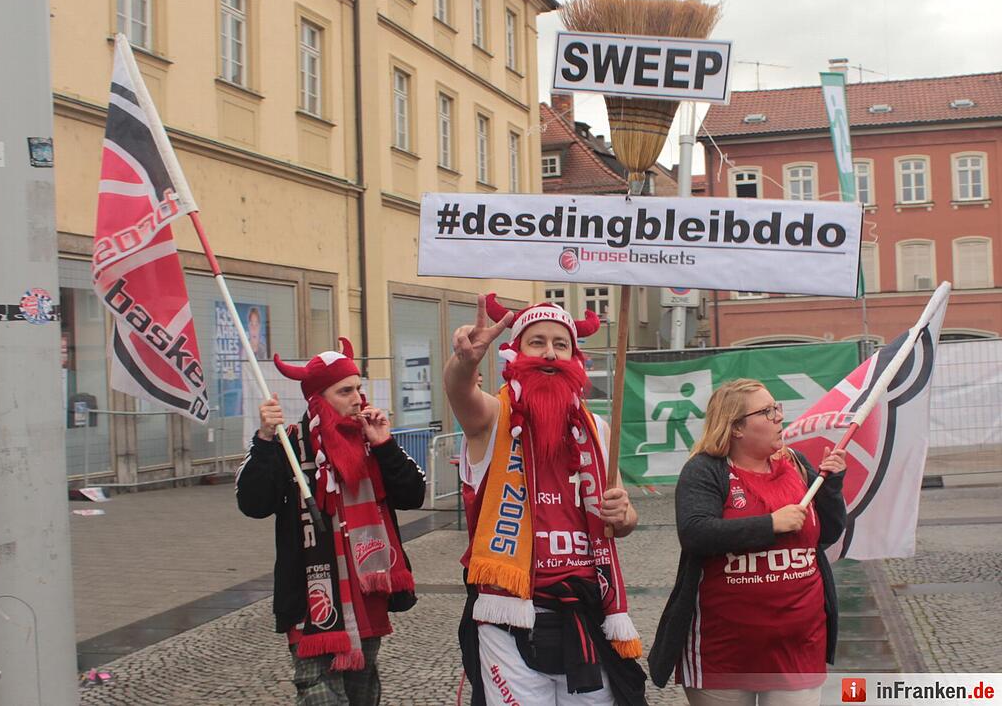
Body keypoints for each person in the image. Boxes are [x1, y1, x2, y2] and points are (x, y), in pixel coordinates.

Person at [445, 294, 648, 705]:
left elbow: (623, 518)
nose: (550, 353)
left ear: (575, 357)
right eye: (537, 342)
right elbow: (460, 393)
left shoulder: (597, 429)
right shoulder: (492, 417)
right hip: (510, 613)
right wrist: (464, 363)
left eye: (561, 343)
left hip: (586, 609)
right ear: (515, 352)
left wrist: (624, 514)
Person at [236, 337, 426, 705]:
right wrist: (263, 440)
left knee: (362, 690)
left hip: (368, 591)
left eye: (359, 388)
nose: (358, 398)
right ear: (318, 398)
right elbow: (253, 503)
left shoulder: (372, 443)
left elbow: (413, 494)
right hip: (314, 597)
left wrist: (386, 445)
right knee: (317, 689)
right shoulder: (289, 445)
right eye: (345, 391)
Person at [648, 379, 847, 706]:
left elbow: (826, 534)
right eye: (766, 412)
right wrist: (770, 524)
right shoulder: (705, 470)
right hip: (723, 652)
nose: (778, 417)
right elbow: (695, 533)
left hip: (799, 647)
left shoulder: (795, 463)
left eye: (777, 408)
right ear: (736, 428)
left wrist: (831, 488)